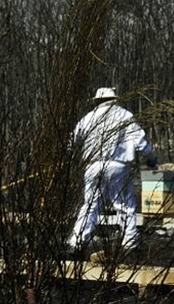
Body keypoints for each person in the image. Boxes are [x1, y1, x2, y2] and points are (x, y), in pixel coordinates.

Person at [66, 87, 157, 254]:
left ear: (97, 101)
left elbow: (72, 141)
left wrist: (66, 158)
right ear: (114, 99)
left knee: (90, 205)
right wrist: (150, 158)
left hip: (92, 166)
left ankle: (76, 242)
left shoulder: (88, 118)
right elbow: (140, 142)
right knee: (124, 205)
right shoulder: (124, 116)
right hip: (118, 166)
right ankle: (130, 243)